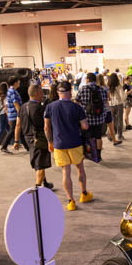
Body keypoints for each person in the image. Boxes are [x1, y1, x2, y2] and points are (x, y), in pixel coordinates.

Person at [44, 81, 92, 211]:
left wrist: (50, 142)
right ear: (70, 92)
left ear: (58, 93)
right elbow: (85, 126)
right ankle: (84, 194)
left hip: (59, 144)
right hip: (75, 143)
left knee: (66, 172)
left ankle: (71, 201)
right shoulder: (76, 107)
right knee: (80, 169)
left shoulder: (50, 107)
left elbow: (47, 128)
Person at [16, 84, 53, 190]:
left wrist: (16, 140)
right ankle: (37, 189)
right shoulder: (40, 108)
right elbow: (46, 126)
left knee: (38, 161)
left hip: (28, 138)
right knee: (40, 165)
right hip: (39, 138)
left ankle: (45, 183)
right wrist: (50, 140)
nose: (43, 95)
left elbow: (18, 124)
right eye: (41, 92)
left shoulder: (23, 107)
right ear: (37, 93)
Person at [75, 72, 110, 161]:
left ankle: (88, 154)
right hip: (99, 118)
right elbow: (106, 102)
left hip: (86, 119)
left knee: (87, 137)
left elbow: (76, 102)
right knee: (98, 137)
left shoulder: (83, 89)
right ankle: (98, 155)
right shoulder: (102, 90)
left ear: (87, 79)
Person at [2, 76, 22, 152]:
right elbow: (15, 102)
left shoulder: (10, 90)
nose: (19, 82)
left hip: (12, 113)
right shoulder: (12, 91)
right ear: (15, 82)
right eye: (18, 81)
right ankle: (4, 146)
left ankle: (26, 146)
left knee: (18, 130)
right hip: (14, 114)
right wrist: (20, 112)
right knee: (12, 130)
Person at [107, 73, 126, 146]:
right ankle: (119, 136)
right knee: (119, 120)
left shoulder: (108, 86)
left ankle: (111, 135)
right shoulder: (118, 86)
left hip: (111, 105)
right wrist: (126, 93)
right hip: (118, 105)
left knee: (112, 121)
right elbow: (123, 97)